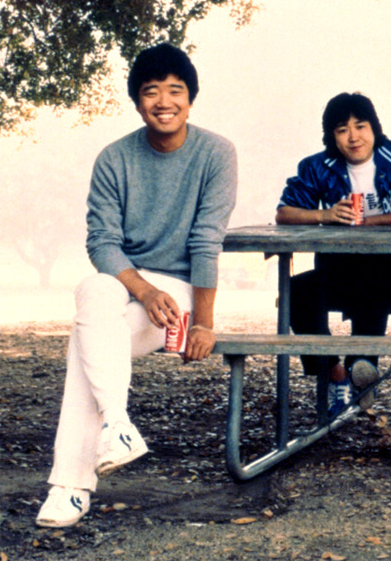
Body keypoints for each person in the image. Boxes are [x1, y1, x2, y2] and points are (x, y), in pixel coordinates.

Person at [36, 44, 238, 529]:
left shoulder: (217, 154)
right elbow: (102, 242)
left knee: (85, 343)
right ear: (136, 100)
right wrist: (143, 291)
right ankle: (117, 425)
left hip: (181, 293)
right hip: (128, 286)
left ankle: (70, 488)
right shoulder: (114, 159)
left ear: (190, 98)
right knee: (93, 290)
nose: (164, 102)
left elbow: (206, 240)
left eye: (175, 90)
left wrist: (204, 323)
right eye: (151, 91)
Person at [276, 92, 391, 416]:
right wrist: (325, 214)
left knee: (371, 274)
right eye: (342, 130)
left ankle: (362, 364)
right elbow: (284, 213)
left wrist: (366, 223)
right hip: (344, 270)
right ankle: (338, 374)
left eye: (360, 126)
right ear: (332, 137)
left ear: (374, 128)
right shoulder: (318, 166)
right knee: (295, 292)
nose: (353, 137)